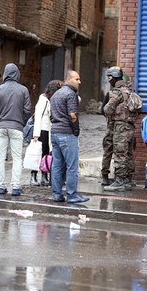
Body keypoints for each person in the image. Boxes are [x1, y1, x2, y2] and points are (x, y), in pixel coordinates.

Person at [50, 70, 90, 204]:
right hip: (67, 134)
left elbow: (52, 115)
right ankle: (72, 195)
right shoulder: (71, 94)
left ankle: (57, 194)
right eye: (77, 79)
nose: (80, 82)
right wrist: (76, 130)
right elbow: (72, 115)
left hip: (54, 133)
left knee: (57, 165)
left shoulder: (56, 94)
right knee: (71, 166)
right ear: (68, 79)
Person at [0, 64, 31, 195]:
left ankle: (1, 186)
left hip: (2, 127)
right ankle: (15, 186)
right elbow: (27, 110)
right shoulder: (23, 90)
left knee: (0, 157)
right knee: (17, 157)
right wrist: (22, 123)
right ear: (17, 74)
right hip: (17, 126)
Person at [102, 67, 139, 192]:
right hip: (129, 127)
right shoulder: (128, 91)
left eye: (109, 77)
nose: (109, 80)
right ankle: (127, 180)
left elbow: (107, 109)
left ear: (113, 78)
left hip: (120, 127)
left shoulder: (116, 92)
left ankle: (119, 181)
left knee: (120, 153)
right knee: (128, 153)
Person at [32, 80, 62, 186]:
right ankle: (33, 176)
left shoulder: (51, 100)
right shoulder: (43, 100)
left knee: (46, 154)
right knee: (38, 154)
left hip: (49, 130)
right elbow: (37, 117)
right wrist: (36, 134)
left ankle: (44, 175)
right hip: (41, 131)